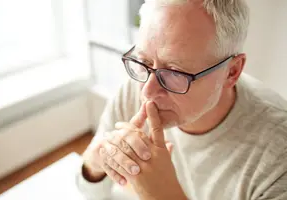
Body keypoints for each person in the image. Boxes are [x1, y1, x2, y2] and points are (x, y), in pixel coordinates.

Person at [77, 0, 287, 199]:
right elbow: (89, 191)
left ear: (231, 72)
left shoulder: (278, 156)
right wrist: (97, 161)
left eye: (175, 73)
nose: (147, 92)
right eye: (143, 60)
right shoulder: (136, 86)